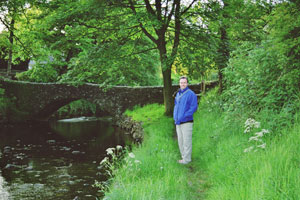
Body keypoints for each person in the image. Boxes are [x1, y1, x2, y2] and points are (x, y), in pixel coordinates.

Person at [173, 76, 198, 164]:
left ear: (187, 83)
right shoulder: (178, 94)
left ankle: (187, 159)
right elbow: (176, 106)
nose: (182, 84)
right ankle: (183, 158)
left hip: (186, 121)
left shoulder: (191, 94)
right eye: (181, 82)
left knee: (186, 141)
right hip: (178, 122)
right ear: (179, 84)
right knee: (180, 141)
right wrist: (175, 117)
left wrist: (184, 116)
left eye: (184, 82)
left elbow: (193, 107)